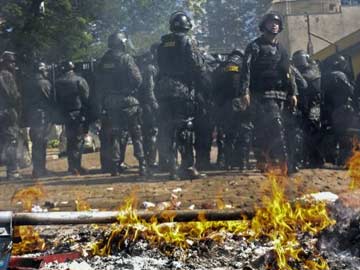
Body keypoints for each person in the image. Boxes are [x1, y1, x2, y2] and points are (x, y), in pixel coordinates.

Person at [239, 13, 297, 174]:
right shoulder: (254, 46)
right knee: (273, 126)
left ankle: (265, 161)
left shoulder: (282, 49)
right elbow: (246, 71)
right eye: (271, 22)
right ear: (264, 25)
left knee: (269, 129)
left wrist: (293, 93)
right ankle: (286, 165)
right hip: (261, 96)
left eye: (277, 23)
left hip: (279, 95)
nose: (274, 25)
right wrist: (244, 92)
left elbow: (289, 72)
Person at [156, 11, 208, 179]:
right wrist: (204, 86)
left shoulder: (162, 44)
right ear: (188, 25)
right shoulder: (188, 40)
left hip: (164, 89)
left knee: (167, 129)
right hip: (182, 89)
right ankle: (188, 167)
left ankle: (172, 168)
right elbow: (197, 65)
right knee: (185, 128)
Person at [97, 32, 148, 177]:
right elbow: (137, 79)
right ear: (122, 43)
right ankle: (142, 165)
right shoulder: (126, 58)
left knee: (115, 135)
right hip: (128, 102)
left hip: (110, 103)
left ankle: (115, 166)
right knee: (136, 134)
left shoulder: (103, 61)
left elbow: (98, 82)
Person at [55, 61, 90, 175]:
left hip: (65, 115)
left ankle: (72, 166)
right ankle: (76, 167)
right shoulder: (79, 80)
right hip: (78, 114)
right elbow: (86, 98)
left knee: (70, 140)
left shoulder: (58, 82)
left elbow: (55, 100)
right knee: (78, 140)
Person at [292, 50, 323, 168]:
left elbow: (305, 82)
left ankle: (317, 159)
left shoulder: (313, 69)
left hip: (314, 106)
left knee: (313, 130)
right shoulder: (302, 71)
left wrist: (294, 72)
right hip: (304, 106)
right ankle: (308, 159)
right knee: (304, 132)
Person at [322, 55, 355, 166]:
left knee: (335, 135)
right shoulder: (340, 75)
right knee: (345, 136)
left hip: (330, 110)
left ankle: (335, 159)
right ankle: (345, 161)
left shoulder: (325, 76)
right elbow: (350, 91)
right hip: (341, 109)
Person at [23, 62, 54, 178]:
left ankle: (38, 169)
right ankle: (40, 170)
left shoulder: (27, 83)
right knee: (41, 144)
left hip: (32, 117)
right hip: (42, 117)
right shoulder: (44, 83)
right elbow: (49, 99)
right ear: (41, 71)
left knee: (36, 144)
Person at [0, 51, 22, 180]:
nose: (13, 64)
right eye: (11, 62)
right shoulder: (6, 75)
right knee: (11, 142)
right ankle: (13, 171)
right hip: (7, 113)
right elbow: (13, 96)